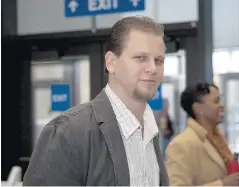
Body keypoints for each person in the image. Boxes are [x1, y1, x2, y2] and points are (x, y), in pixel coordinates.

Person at [23, 16, 169, 186]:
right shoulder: (67, 132)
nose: (152, 68)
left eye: (158, 60)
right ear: (111, 62)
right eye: (140, 58)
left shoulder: (150, 130)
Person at [165, 82, 239, 186]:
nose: (222, 105)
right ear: (198, 108)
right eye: (216, 101)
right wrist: (222, 184)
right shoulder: (181, 145)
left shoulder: (219, 140)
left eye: (220, 100)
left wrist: (237, 179)